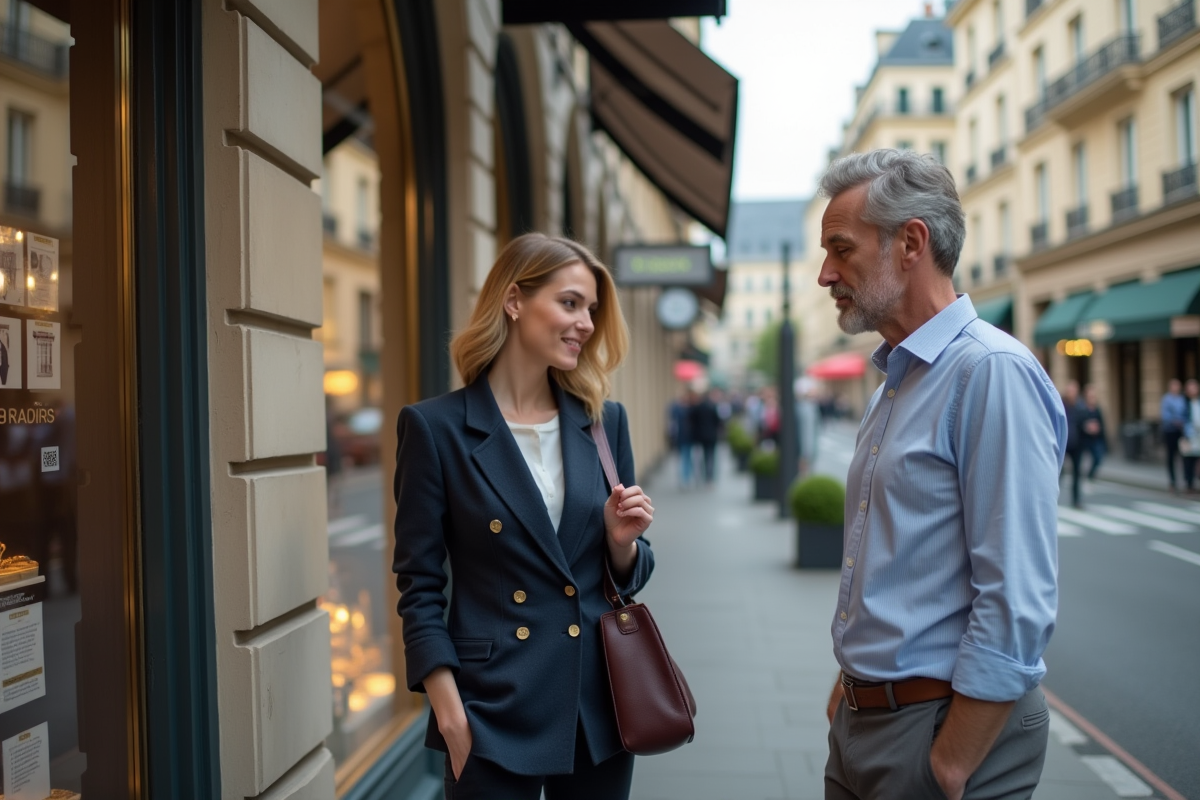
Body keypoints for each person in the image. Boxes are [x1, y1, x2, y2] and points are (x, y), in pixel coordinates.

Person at [815, 150, 1066, 800]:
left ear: (911, 242)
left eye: (842, 250)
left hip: (935, 732)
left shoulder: (989, 373)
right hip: (866, 722)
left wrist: (950, 761)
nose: (825, 274)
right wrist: (851, 686)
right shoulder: (897, 381)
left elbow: (1017, 593)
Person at [392, 233, 655, 800]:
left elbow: (625, 577)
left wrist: (622, 545)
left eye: (591, 309)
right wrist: (449, 713)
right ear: (514, 301)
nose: (586, 322)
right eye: (569, 303)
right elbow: (419, 585)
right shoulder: (436, 429)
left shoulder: (603, 422)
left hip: (596, 704)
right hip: (491, 708)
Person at [1061, 380, 1085, 508]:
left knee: (1077, 473)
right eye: (1070, 391)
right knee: (1059, 472)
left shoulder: (1080, 406)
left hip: (1077, 444)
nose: (1072, 393)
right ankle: (1054, 499)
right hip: (1063, 444)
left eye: (1074, 391)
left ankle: (1076, 500)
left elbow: (1084, 422)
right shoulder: (1061, 404)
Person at [1161, 379, 1188, 493]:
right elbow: (1164, 415)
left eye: (1177, 385)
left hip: (1182, 431)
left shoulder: (1183, 399)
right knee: (1171, 457)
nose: (1176, 388)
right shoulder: (1166, 399)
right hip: (1170, 431)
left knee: (1185, 456)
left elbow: (1187, 413)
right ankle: (1172, 481)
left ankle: (1186, 481)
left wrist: (1182, 422)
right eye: (1174, 386)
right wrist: (1175, 421)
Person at [690, 389, 722, 485]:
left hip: (700, 436)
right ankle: (709, 477)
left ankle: (701, 475)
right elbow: (718, 421)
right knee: (711, 456)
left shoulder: (697, 408)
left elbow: (692, 420)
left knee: (702, 456)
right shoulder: (712, 408)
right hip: (711, 436)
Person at [667, 391, 696, 488]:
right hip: (684, 438)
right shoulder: (685, 410)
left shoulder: (680, 410)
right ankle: (685, 478)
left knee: (685, 458)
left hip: (684, 438)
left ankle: (685, 478)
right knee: (685, 458)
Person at [1078, 384, 1106, 482]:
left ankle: (1090, 476)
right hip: (1085, 439)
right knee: (1083, 460)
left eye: (1093, 396)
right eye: (1090, 396)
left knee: (1097, 458)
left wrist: (1098, 429)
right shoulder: (1082, 409)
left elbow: (1102, 424)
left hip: (1096, 438)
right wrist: (1086, 427)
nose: (1092, 398)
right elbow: (1079, 423)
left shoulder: (1097, 409)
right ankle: (1083, 477)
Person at [1181, 379, 1200, 492]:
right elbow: (1182, 419)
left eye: (1195, 387)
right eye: (1191, 388)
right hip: (1189, 435)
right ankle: (1189, 484)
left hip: (1199, 435)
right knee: (1189, 460)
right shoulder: (1184, 403)